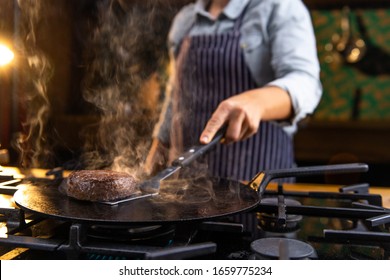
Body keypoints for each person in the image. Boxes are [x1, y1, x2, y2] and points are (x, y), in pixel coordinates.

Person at [145, 0, 322, 183]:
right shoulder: (185, 19)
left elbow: (306, 83)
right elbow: (176, 93)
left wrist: (257, 102)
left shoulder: (280, 7)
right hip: (184, 186)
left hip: (256, 179)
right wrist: (159, 147)